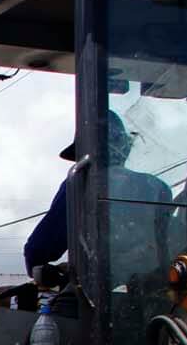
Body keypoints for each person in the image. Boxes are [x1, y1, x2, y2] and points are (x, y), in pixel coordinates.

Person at [23, 110, 172, 276]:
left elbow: (37, 251)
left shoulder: (81, 184)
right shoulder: (158, 187)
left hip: (102, 289)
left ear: (85, 152)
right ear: (124, 147)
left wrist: (38, 266)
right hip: (157, 287)